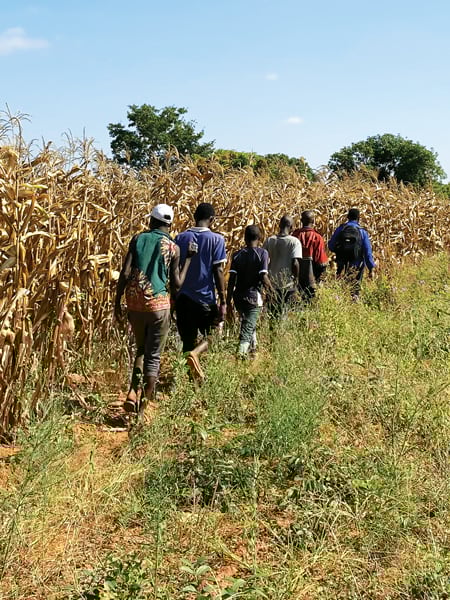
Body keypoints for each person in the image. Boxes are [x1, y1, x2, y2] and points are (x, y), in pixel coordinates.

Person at [114, 203, 196, 417]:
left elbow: (124, 273)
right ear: (170, 224)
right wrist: (188, 259)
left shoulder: (138, 239)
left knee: (140, 349)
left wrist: (116, 301)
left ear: (151, 220)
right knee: (153, 356)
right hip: (159, 306)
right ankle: (143, 410)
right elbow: (176, 285)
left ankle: (133, 392)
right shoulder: (173, 248)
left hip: (134, 303)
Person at [174, 202, 227, 382]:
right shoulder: (217, 240)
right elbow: (218, 271)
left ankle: (192, 383)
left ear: (194, 217)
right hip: (205, 299)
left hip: (182, 299)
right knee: (214, 335)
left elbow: (173, 269)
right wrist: (223, 300)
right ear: (211, 219)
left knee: (187, 342)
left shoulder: (180, 238)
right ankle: (197, 354)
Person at [226, 225, 273, 357]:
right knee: (247, 330)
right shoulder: (262, 253)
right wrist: (271, 291)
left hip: (238, 298)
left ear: (245, 238)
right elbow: (263, 276)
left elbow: (231, 280)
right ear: (259, 238)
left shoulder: (237, 255)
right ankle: (240, 356)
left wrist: (228, 300)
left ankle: (253, 354)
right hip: (253, 297)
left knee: (248, 324)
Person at [328, 208, 375, 298]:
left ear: (348, 217)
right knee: (355, 289)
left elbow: (331, 246)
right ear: (358, 218)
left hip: (341, 264)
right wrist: (371, 268)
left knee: (341, 288)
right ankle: (354, 304)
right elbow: (367, 252)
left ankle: (341, 306)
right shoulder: (362, 232)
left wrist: (340, 251)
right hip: (357, 265)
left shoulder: (341, 229)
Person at [263, 215, 302, 317]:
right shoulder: (294, 242)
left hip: (272, 285)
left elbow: (263, 262)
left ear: (279, 225)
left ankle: (273, 332)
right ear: (291, 227)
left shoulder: (269, 240)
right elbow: (295, 263)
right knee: (288, 314)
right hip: (288, 285)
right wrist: (296, 279)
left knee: (273, 315)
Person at [292, 210, 328, 301]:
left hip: (296, 280)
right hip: (311, 280)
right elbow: (321, 261)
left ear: (301, 220)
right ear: (313, 221)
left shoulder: (295, 235)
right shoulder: (317, 237)